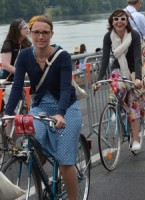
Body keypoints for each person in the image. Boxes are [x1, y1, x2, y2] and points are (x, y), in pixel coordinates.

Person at [4, 15, 81, 200]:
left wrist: (61, 113)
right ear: (30, 34)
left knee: (64, 162)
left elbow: (65, 88)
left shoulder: (62, 56)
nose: (41, 36)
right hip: (40, 107)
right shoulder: (24, 55)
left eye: (45, 32)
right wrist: (7, 114)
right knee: (33, 141)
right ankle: (46, 182)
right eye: (36, 32)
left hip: (67, 107)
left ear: (51, 34)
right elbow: (17, 86)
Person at [94, 9, 145, 151]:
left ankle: (135, 140)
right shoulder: (108, 37)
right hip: (118, 67)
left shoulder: (134, 35)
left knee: (133, 105)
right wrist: (98, 81)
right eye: (116, 19)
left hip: (133, 69)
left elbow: (137, 58)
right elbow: (105, 59)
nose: (119, 22)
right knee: (118, 85)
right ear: (112, 21)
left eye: (122, 19)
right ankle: (116, 109)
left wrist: (137, 79)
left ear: (127, 21)